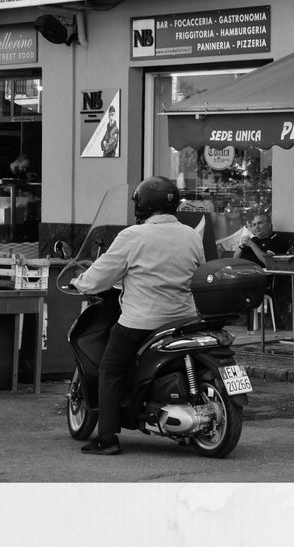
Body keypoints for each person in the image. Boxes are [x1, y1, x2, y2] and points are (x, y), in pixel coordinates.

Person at [69, 177, 206, 455]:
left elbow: (101, 275)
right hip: (183, 320)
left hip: (141, 322)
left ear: (142, 205)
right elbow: (198, 270)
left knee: (110, 369)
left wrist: (80, 282)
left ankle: (106, 438)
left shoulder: (132, 236)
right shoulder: (191, 235)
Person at [236, 211, 294, 327]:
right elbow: (235, 259)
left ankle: (244, 322)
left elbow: (267, 262)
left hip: (263, 279)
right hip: (244, 276)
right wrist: (241, 246)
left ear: (269, 225)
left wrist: (252, 245)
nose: (256, 227)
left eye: (259, 223)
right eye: (253, 225)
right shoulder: (252, 240)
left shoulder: (277, 240)